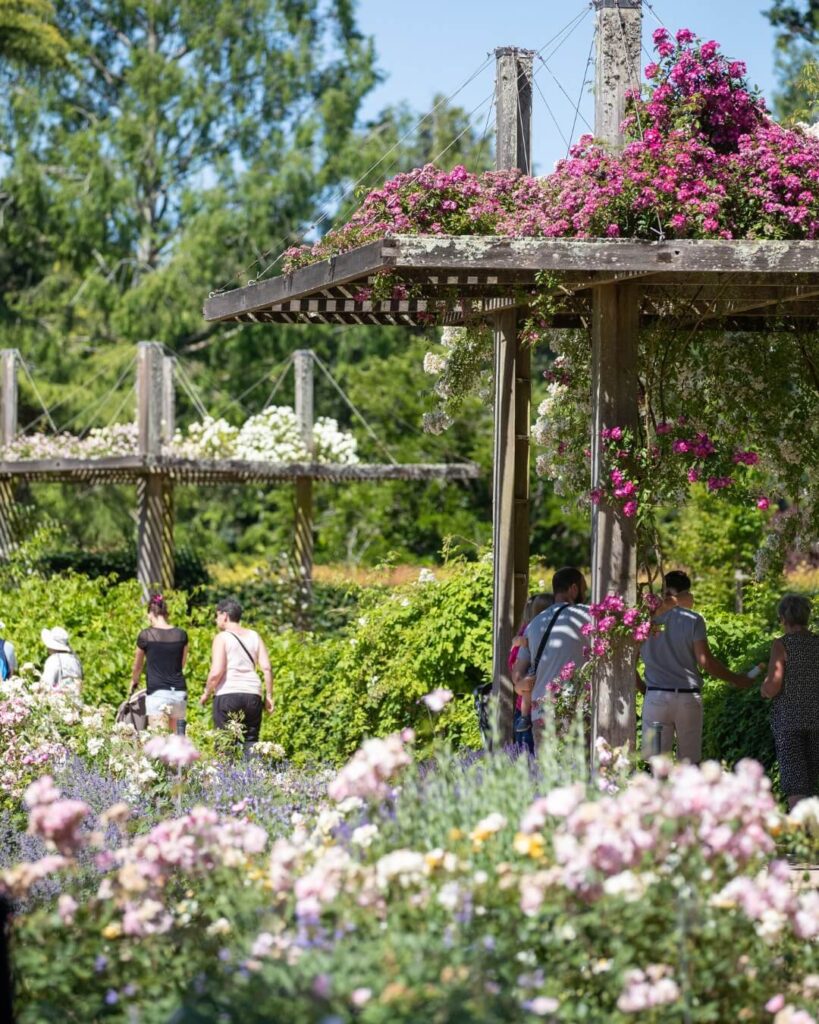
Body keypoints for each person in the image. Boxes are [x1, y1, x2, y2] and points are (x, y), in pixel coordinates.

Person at [639, 570, 752, 763]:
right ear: (686, 593)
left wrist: (644, 689)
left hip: (656, 697)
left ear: (663, 590)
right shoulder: (693, 619)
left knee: (657, 764)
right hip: (687, 698)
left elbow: (629, 663)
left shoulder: (644, 620)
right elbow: (705, 661)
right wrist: (736, 678)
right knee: (689, 765)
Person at [512, 567, 591, 753]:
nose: (586, 594)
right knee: (579, 769)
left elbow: (517, 676)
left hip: (541, 713)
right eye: (584, 589)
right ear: (574, 589)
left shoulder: (534, 624)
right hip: (577, 710)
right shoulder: (588, 615)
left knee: (548, 769)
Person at [761, 593, 819, 809]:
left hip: (789, 722)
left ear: (784, 618)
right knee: (812, 780)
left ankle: (801, 828)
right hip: (816, 720)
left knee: (796, 784)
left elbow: (773, 686)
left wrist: (763, 690)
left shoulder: (782, 645)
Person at [199, 597, 273, 753]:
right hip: (253, 695)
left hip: (228, 694)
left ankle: (226, 769)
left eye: (217, 615)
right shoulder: (254, 636)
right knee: (251, 743)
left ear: (224, 615)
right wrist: (269, 696)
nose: (216, 620)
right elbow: (266, 668)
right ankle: (252, 769)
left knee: (225, 744)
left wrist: (206, 693)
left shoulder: (222, 638)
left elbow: (217, 671)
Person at [130, 593, 188, 732]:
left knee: (159, 739)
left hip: (157, 694)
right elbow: (181, 664)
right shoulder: (181, 635)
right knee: (177, 740)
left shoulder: (146, 635)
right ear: (166, 613)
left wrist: (134, 682)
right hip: (179, 693)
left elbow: (137, 666)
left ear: (151, 613)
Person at [510, 593, 554, 752]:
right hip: (535, 708)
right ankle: (524, 716)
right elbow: (518, 677)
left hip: (529, 706)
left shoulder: (528, 631)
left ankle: (524, 717)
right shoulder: (531, 633)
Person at [40, 626, 83, 694]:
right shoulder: (75, 659)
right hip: (75, 698)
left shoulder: (53, 660)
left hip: (58, 698)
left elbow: (46, 684)